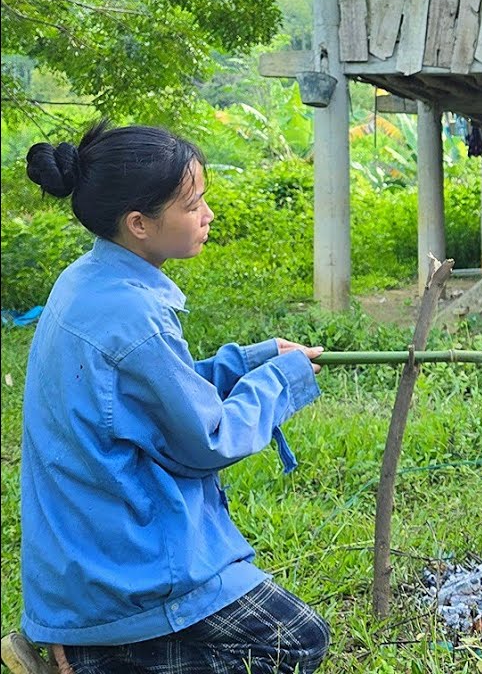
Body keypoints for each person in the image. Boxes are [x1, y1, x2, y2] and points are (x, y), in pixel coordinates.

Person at [14, 120, 331, 673]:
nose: (207, 215)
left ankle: (96, 648)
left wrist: (249, 362)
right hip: (121, 562)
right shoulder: (135, 316)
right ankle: (96, 659)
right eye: (192, 205)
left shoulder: (89, 281)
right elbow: (207, 438)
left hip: (87, 546)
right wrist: (276, 380)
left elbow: (146, 395)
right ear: (139, 223)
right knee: (295, 642)